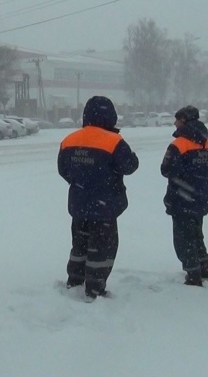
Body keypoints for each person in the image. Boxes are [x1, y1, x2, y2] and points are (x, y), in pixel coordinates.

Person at [58, 96, 139, 300]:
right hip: (105, 208)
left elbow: (63, 170)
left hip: (79, 204)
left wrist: (80, 182)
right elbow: (130, 166)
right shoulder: (114, 141)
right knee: (102, 248)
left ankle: (74, 280)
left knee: (79, 244)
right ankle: (94, 288)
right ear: (110, 116)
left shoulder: (70, 140)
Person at [160, 105, 208, 287]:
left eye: (177, 120)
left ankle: (193, 275)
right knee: (196, 235)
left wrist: (185, 173)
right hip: (201, 198)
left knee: (183, 238)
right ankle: (205, 269)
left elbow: (165, 170)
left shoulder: (179, 144)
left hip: (181, 199)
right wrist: (200, 170)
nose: (174, 123)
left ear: (184, 121)